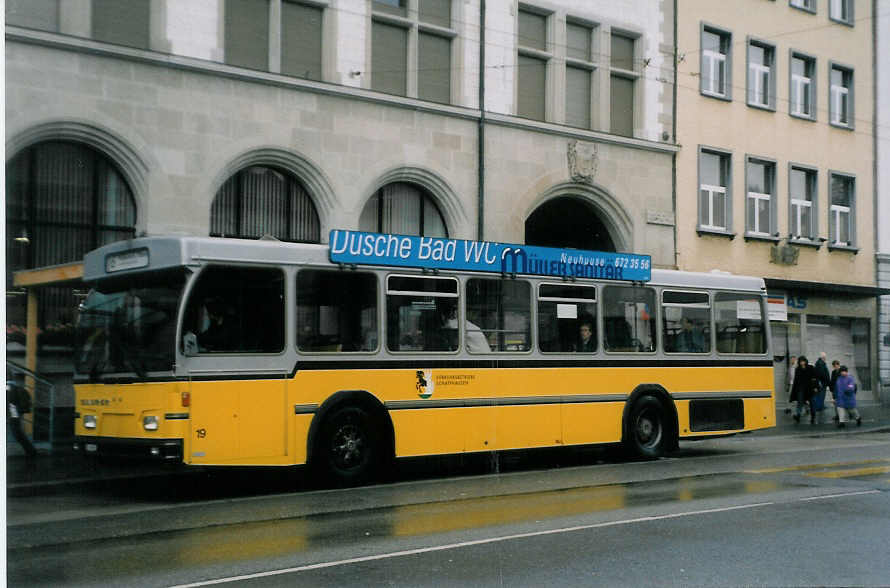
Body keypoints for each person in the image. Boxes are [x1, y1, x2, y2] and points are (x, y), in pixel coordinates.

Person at [7, 378, 37, 458]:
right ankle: (31, 451)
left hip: (12, 412)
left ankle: (31, 451)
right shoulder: (13, 387)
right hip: (14, 411)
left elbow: (11, 402)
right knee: (17, 432)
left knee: (17, 432)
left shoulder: (8, 387)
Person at [790, 355, 818, 424]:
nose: (802, 363)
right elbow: (796, 380)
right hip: (801, 389)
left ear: (805, 361)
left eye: (803, 361)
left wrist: (815, 387)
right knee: (800, 402)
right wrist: (795, 390)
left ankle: (813, 416)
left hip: (810, 388)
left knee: (812, 403)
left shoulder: (811, 368)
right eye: (801, 362)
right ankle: (798, 416)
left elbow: (815, 378)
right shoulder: (798, 369)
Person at [812, 352, 831, 424]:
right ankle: (819, 407)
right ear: (822, 357)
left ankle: (820, 406)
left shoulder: (820, 363)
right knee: (821, 395)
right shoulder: (821, 363)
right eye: (824, 357)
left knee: (821, 395)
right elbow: (822, 374)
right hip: (822, 382)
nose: (825, 358)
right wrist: (825, 380)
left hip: (822, 382)